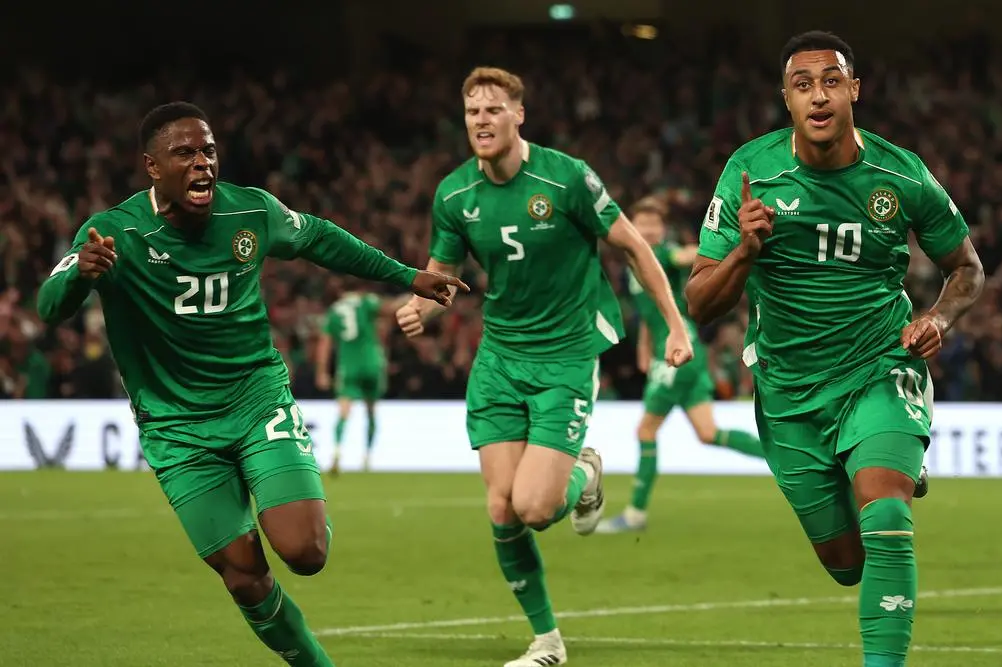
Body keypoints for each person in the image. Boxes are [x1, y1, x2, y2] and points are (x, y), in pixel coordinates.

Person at [36, 101, 467, 667]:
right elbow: (50, 306)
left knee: (306, 551)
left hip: (254, 397)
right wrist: (81, 277)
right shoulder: (113, 233)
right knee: (243, 575)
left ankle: (295, 490)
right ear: (152, 166)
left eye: (209, 150)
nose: (202, 163)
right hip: (176, 427)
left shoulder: (251, 211)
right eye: (184, 153)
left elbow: (319, 239)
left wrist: (407, 274)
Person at [684, 31, 984, 667]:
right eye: (802, 85)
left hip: (879, 365)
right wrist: (743, 250)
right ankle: (881, 473)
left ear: (854, 89)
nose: (818, 96)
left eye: (830, 81)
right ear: (786, 101)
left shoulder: (900, 174)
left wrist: (938, 317)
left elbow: (967, 268)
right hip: (790, 391)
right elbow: (701, 304)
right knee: (846, 565)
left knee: (886, 516)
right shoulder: (750, 171)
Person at [395, 67, 693, 667]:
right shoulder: (454, 194)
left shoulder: (566, 178)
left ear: (518, 115)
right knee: (501, 509)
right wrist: (421, 306)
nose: (481, 120)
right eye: (472, 111)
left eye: (493, 109)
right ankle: (547, 642)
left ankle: (586, 474)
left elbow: (634, 246)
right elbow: (442, 274)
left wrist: (676, 324)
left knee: (535, 508)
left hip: (565, 357)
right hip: (500, 359)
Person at [596, 196, 765, 534]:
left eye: (654, 224)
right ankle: (784, 455)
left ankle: (636, 514)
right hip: (676, 354)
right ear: (632, 224)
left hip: (677, 356)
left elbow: (684, 255)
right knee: (708, 433)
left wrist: (728, 240)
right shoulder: (636, 261)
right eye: (642, 222)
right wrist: (645, 346)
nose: (648, 228)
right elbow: (650, 311)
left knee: (645, 431)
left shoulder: (662, 253)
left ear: (662, 229)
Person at [315, 282, 404, 475]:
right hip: (373, 362)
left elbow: (325, 343)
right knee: (371, 410)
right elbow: (388, 310)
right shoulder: (366, 302)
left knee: (344, 410)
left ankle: (337, 452)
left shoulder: (334, 311)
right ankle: (367, 457)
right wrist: (410, 297)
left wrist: (322, 372)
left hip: (348, 365)